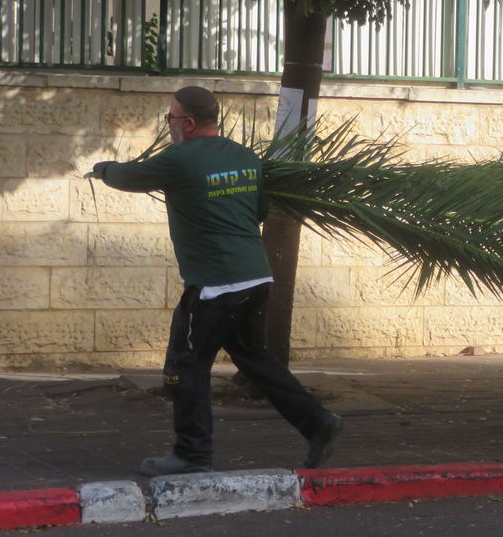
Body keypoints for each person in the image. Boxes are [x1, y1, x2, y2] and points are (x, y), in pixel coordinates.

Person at [91, 85, 341, 476]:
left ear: (188, 123)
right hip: (256, 278)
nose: (169, 125)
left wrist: (103, 169)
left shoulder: (180, 158)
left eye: (171, 118)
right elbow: (258, 209)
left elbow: (130, 177)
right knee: (255, 359)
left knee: (186, 366)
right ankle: (318, 422)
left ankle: (192, 454)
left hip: (213, 286)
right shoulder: (245, 157)